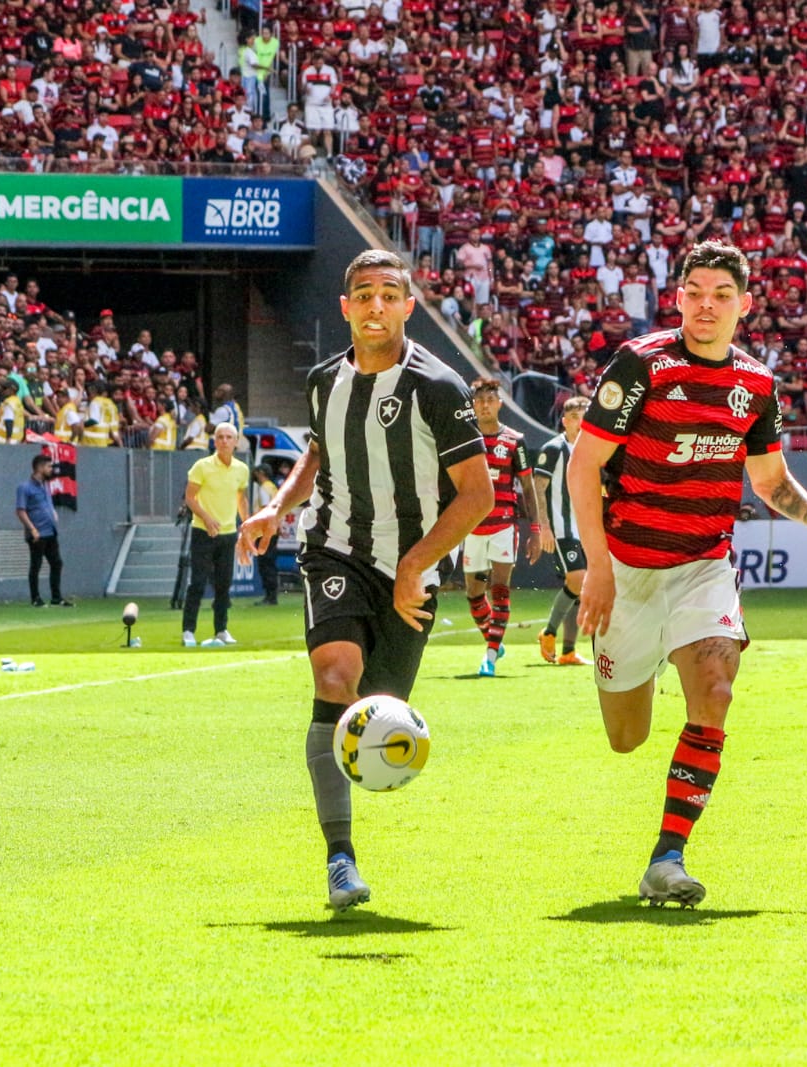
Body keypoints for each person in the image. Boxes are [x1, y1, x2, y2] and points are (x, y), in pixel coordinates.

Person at [568, 241, 807, 907]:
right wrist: (596, 565)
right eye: (694, 292)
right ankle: (644, 657)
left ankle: (667, 856)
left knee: (716, 690)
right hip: (626, 570)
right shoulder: (642, 365)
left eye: (720, 294)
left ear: (744, 304)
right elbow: (582, 464)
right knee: (627, 738)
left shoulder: (756, 386)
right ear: (677, 297)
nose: (705, 305)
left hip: (703, 565)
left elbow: (770, 482)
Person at [235, 249, 493, 911]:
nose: (376, 306)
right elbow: (319, 452)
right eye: (364, 295)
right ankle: (340, 859)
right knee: (333, 678)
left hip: (413, 570)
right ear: (346, 307)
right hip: (334, 552)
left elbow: (478, 495)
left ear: (408, 305)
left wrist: (413, 564)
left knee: (372, 715)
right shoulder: (325, 381)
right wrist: (276, 506)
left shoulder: (438, 387)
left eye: (389, 294)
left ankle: (354, 808)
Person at [461, 378, 548, 676]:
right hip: (471, 525)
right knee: (473, 595)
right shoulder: (465, 438)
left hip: (503, 527)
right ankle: (494, 640)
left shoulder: (514, 440)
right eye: (479, 399)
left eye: (490, 398)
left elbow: (527, 485)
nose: (485, 404)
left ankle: (489, 657)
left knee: (500, 590)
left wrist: (535, 530)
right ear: (473, 404)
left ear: (500, 403)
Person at [182, 423, 252, 647]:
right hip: (203, 531)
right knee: (198, 582)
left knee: (224, 584)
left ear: (236, 442)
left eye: (228, 437)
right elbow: (190, 498)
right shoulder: (201, 466)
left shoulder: (242, 469)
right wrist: (206, 517)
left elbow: (241, 499)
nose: (224, 441)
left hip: (228, 533)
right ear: (214, 441)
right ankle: (188, 631)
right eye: (220, 437)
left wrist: (246, 524)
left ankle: (221, 629)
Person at [534, 395, 592, 665]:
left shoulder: (592, 449)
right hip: (561, 527)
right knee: (578, 579)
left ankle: (568, 651)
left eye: (585, 416)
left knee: (580, 587)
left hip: (585, 528)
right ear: (565, 421)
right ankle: (548, 632)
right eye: (577, 417)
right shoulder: (554, 448)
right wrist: (543, 527)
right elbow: (539, 488)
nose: (582, 423)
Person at [16, 453, 73, 607]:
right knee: (36, 565)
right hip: (37, 533)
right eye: (48, 466)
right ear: (40, 468)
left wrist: (52, 512)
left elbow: (46, 504)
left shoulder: (45, 486)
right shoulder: (25, 487)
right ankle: (35, 598)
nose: (51, 469)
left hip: (50, 532)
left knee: (56, 563)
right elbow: (21, 511)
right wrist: (32, 529)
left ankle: (56, 597)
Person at [251, 463, 282, 605]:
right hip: (273, 528)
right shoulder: (273, 488)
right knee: (271, 561)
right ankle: (272, 594)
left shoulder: (264, 488)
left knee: (265, 562)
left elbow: (264, 509)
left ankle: (269, 596)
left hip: (264, 530)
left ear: (261, 473)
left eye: (257, 472)